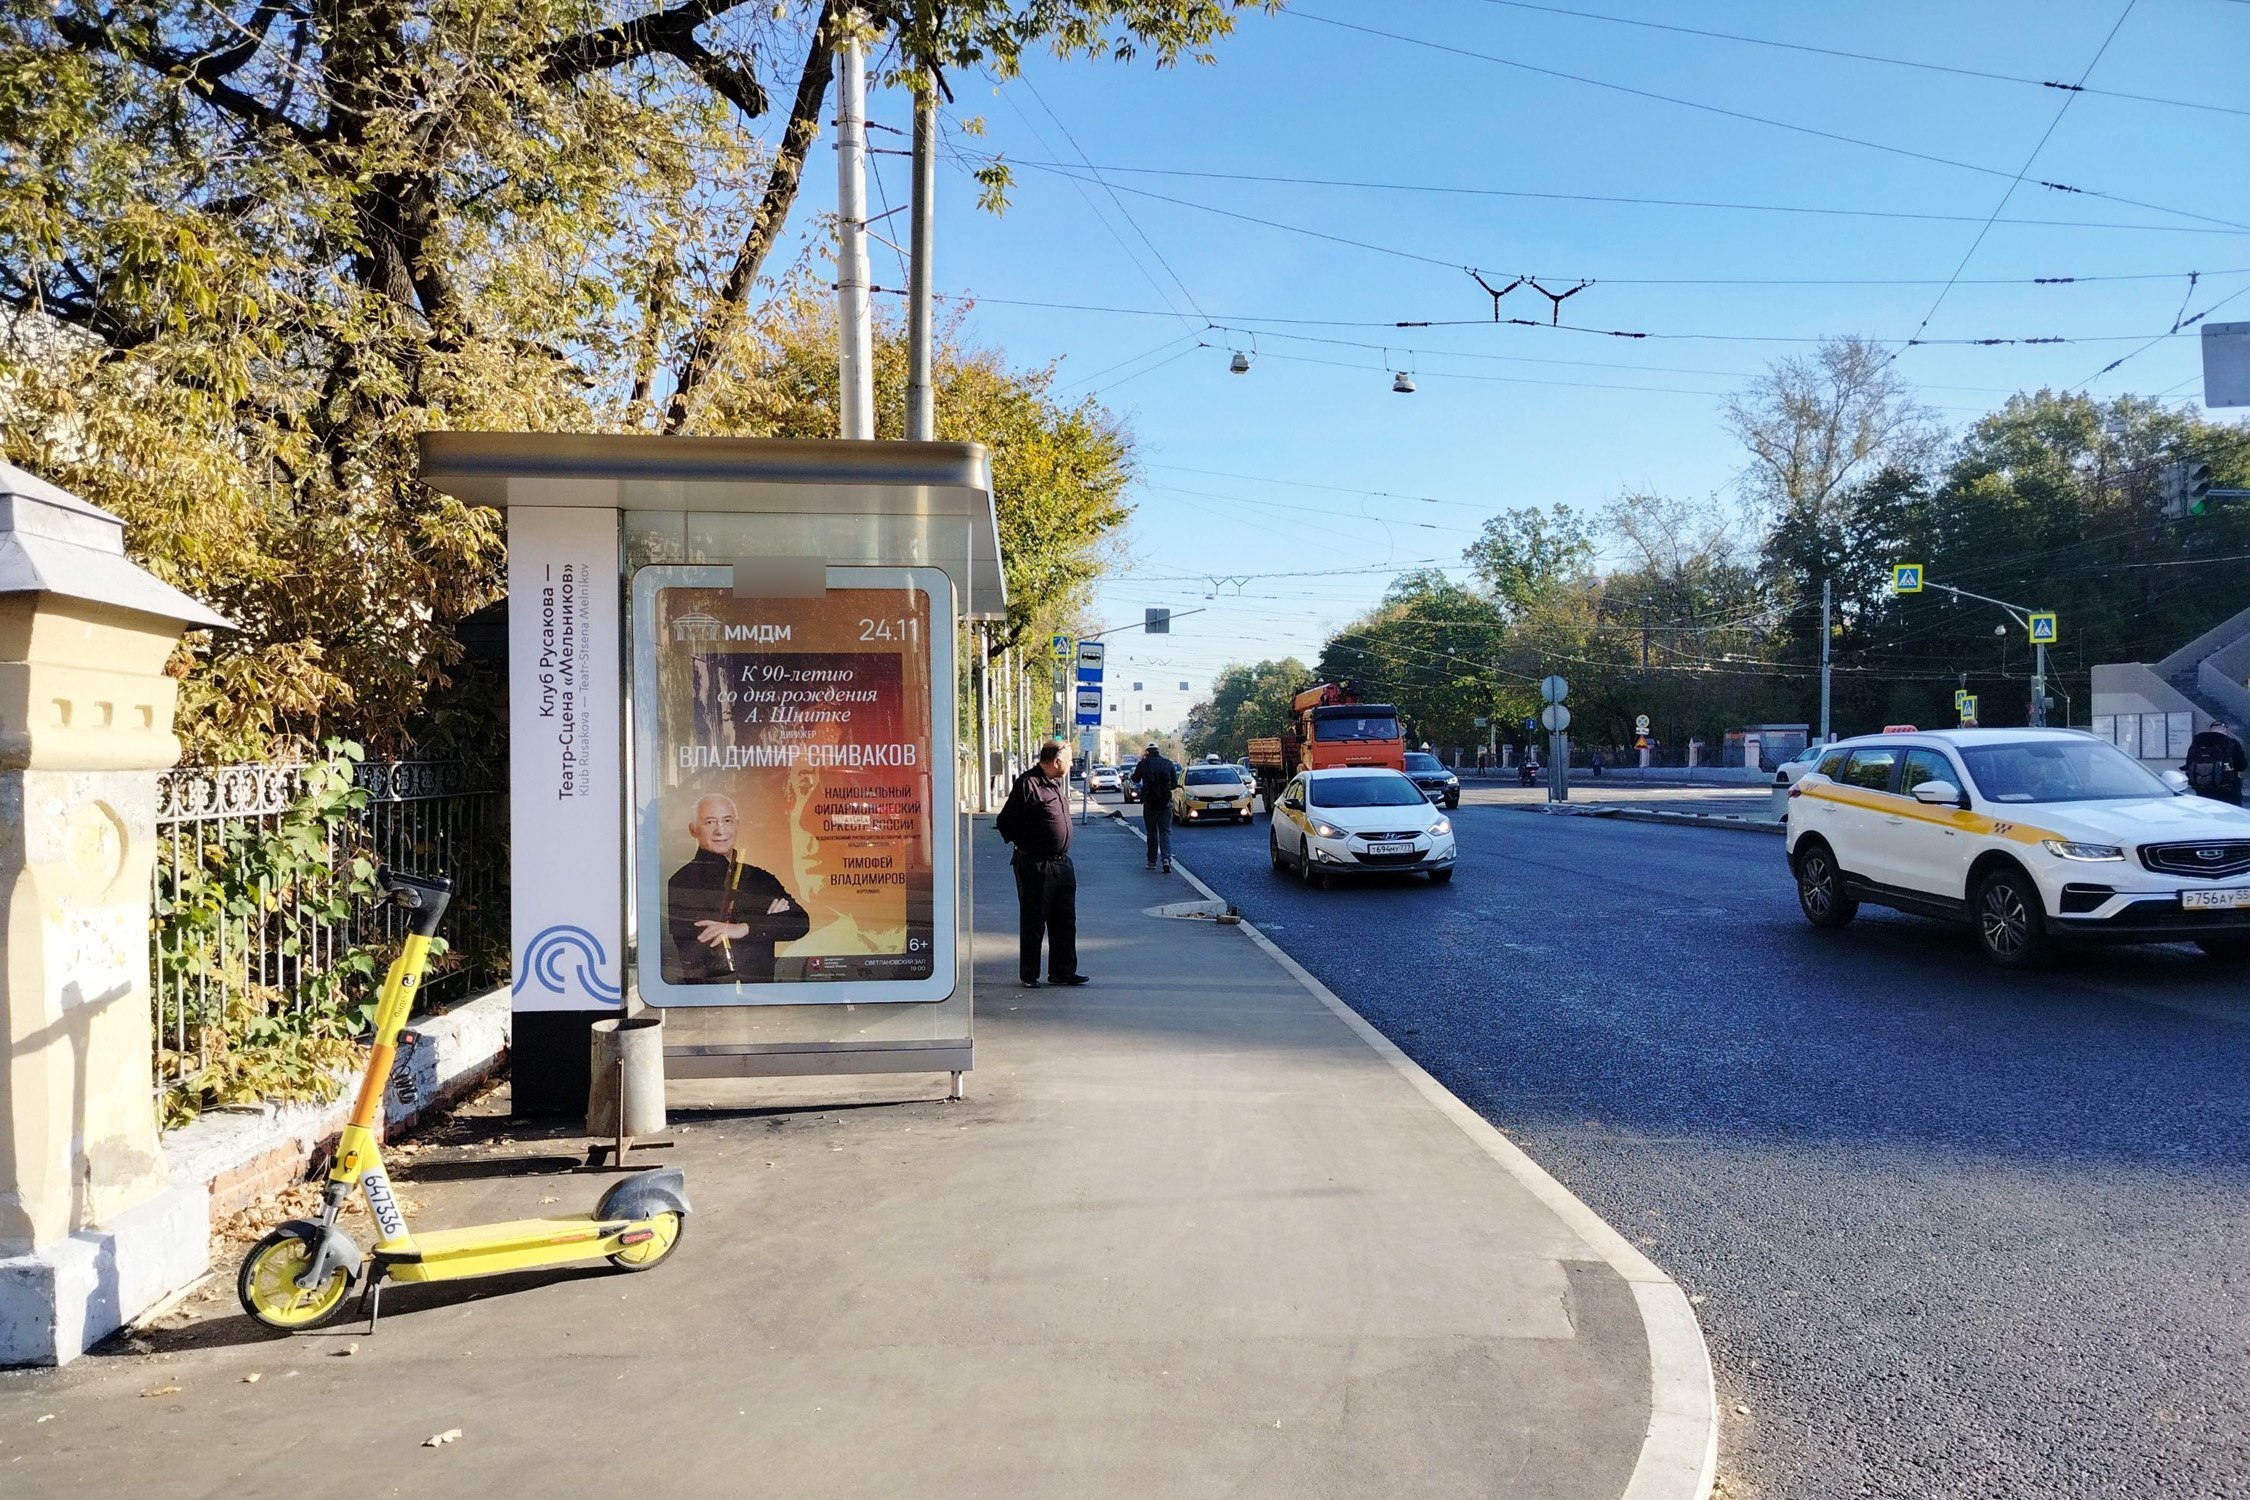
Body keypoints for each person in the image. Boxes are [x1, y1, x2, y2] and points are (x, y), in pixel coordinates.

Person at [666, 794, 809, 983]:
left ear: (737, 824)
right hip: (707, 998)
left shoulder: (759, 878)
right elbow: (704, 947)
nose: (720, 830)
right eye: (710, 822)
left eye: (727, 820)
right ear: (693, 829)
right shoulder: (682, 881)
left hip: (761, 996)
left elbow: (800, 922)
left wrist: (744, 928)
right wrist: (766, 922)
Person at [996, 741, 1087, 988]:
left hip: (1061, 864)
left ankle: (1063, 971)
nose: (1071, 763)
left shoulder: (1056, 784)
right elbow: (1005, 822)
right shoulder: (1028, 784)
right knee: (1034, 920)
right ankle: (1029, 974)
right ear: (1056, 760)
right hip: (1035, 864)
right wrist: (1029, 843)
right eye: (1068, 759)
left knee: (1065, 920)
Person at [1129, 743, 1179, 872]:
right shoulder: (1168, 763)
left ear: (1147, 752)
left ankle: (1151, 861)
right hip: (1165, 803)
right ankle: (1166, 859)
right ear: (1158, 751)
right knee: (1165, 832)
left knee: (1151, 833)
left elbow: (1134, 779)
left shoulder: (1143, 764)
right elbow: (1174, 784)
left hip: (1150, 803)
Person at [2183, 721, 2248, 805]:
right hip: (2228, 791)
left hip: (2202, 789)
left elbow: (2188, 764)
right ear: (2226, 731)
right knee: (2232, 815)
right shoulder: (2232, 743)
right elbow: (2242, 766)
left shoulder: (2197, 743)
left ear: (2210, 730)